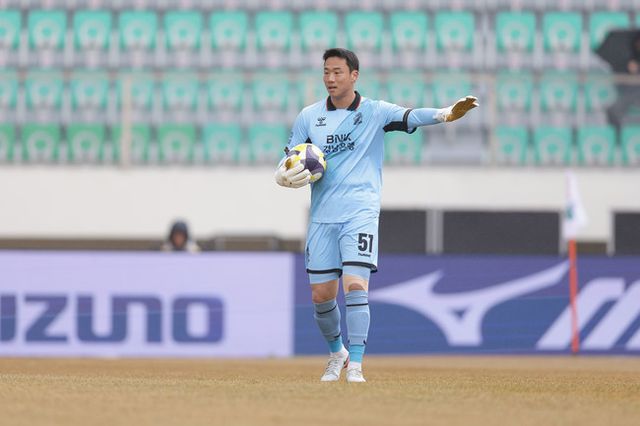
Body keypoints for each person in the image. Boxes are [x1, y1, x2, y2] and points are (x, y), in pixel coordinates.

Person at [274, 48, 478, 383]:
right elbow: (289, 158)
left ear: (354, 75)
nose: (330, 78)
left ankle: (355, 364)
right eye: (326, 72)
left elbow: (410, 116)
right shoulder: (309, 117)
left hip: (360, 213)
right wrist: (282, 174)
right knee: (321, 296)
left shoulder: (375, 111)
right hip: (323, 217)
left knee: (356, 286)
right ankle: (337, 353)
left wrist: (444, 114)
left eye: (338, 72)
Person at [607, 30, 640, 128]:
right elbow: (620, 81)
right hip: (630, 91)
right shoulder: (627, 57)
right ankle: (617, 129)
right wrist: (631, 69)